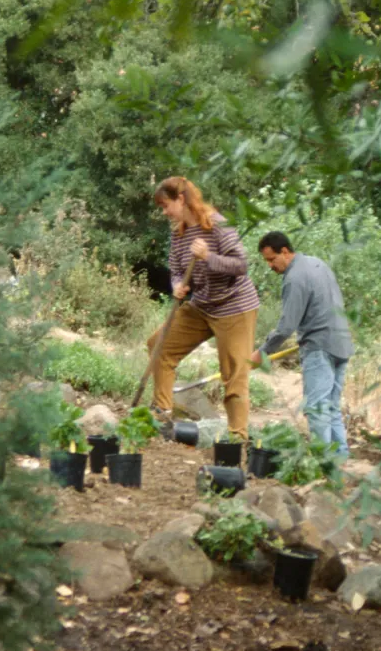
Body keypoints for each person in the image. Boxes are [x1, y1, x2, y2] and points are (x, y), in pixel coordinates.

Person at [147, 176, 260, 439]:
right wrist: (176, 285)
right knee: (159, 346)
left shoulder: (217, 225)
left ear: (181, 199)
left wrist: (208, 257)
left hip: (235, 307)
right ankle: (162, 414)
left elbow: (241, 265)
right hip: (202, 306)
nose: (164, 212)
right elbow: (176, 269)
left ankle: (236, 438)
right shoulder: (179, 233)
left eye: (166, 205)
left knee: (234, 375)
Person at [251, 231, 354, 455]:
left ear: (285, 252)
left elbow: (286, 327)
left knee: (317, 409)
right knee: (330, 407)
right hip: (342, 342)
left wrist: (262, 353)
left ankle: (324, 463)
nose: (270, 266)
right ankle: (340, 460)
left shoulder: (294, 278)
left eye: (271, 259)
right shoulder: (318, 264)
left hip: (320, 346)